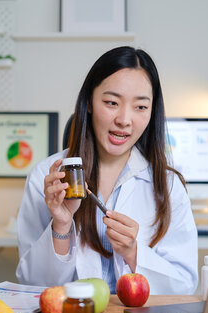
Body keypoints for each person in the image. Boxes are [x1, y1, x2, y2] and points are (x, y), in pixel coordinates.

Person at [16, 46, 198, 295]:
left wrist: (133, 253)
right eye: (112, 102)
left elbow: (184, 286)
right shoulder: (45, 178)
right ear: (89, 102)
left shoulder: (167, 184)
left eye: (140, 107)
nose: (124, 119)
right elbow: (33, 286)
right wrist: (61, 225)